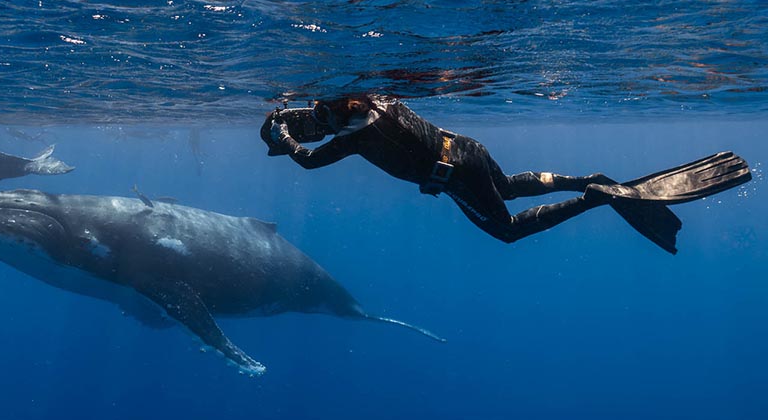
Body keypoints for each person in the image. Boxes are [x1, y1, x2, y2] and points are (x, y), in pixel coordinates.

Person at [261, 94, 750, 254]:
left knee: (508, 232)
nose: (320, 128)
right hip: (467, 149)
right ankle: (584, 179)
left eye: (318, 121)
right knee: (511, 186)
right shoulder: (380, 99)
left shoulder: (351, 140)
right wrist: (295, 116)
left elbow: (305, 159)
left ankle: (594, 196)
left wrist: (284, 135)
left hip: (451, 175)